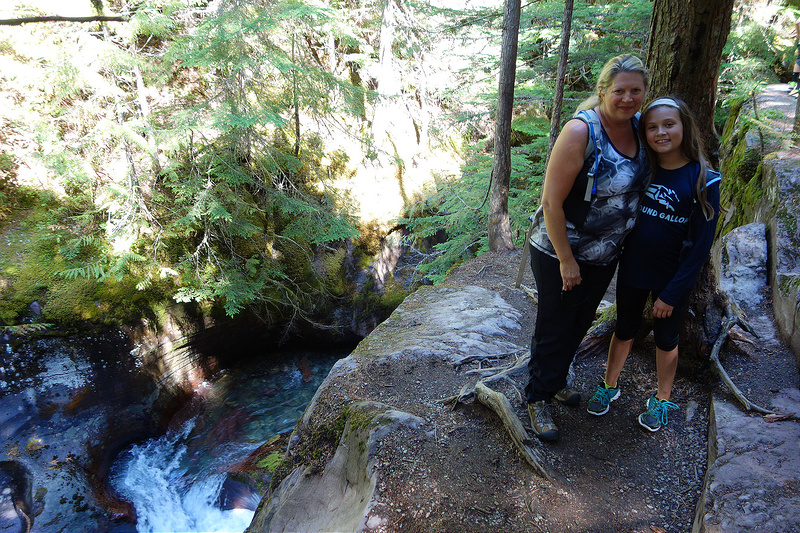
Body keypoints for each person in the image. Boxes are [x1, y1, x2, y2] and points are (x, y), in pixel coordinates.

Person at [525, 55, 651, 441]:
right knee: (555, 322)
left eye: (635, 90)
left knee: (579, 321)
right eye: (619, 90)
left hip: (605, 253)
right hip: (561, 250)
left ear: (644, 92)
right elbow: (551, 201)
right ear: (602, 91)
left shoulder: (640, 128)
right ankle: (538, 397)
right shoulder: (581, 131)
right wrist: (566, 260)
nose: (627, 98)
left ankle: (556, 377)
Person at [586, 96, 721, 432]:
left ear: (684, 127)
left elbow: (702, 245)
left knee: (666, 338)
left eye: (669, 124)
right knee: (625, 329)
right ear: (643, 132)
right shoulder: (643, 169)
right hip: (633, 269)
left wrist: (672, 293)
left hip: (671, 278)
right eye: (652, 127)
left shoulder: (704, 179)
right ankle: (609, 385)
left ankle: (661, 399)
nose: (661, 132)